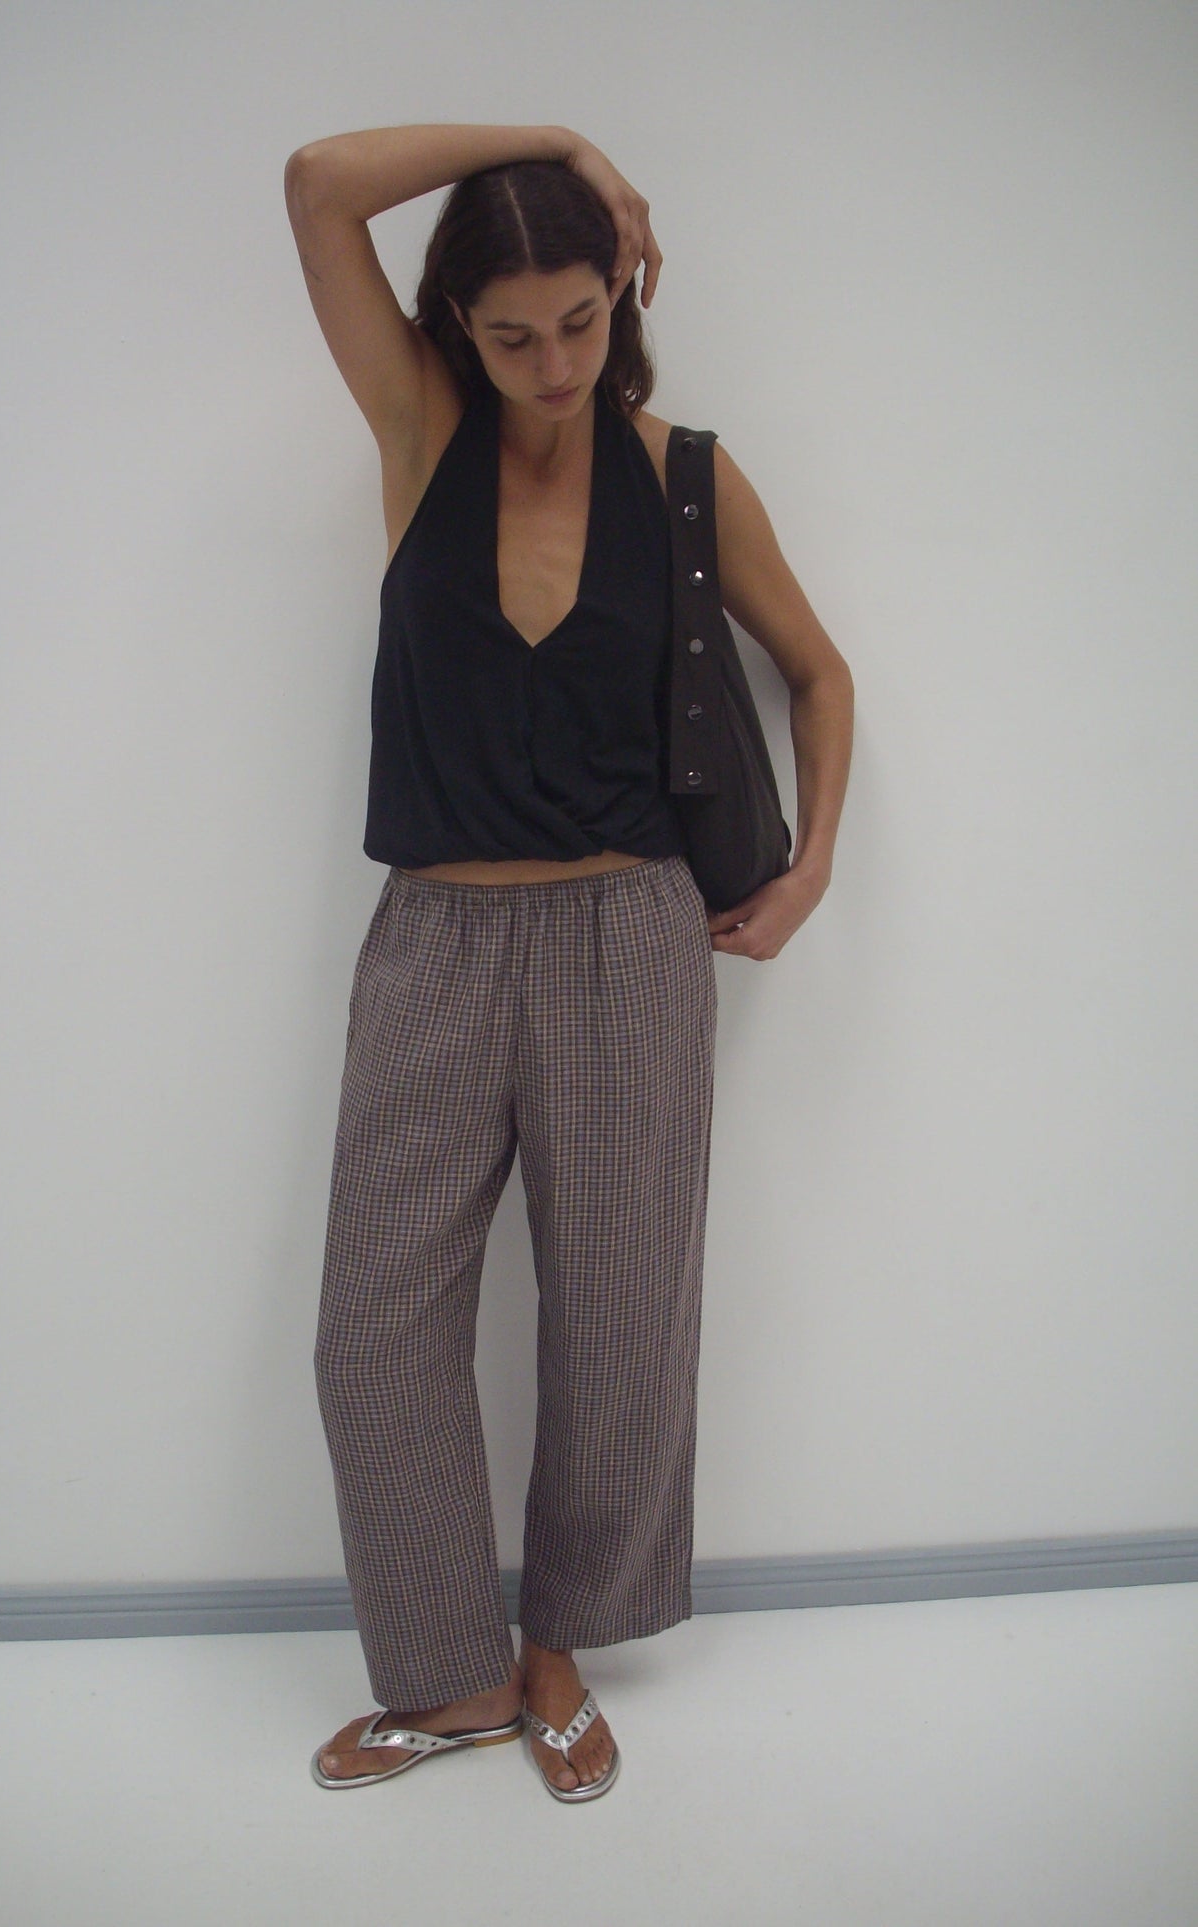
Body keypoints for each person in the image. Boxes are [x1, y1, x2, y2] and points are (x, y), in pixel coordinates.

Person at [283, 123, 853, 1801]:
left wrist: (810, 871)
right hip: (437, 940)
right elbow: (320, 183)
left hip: (629, 937)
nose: (549, 363)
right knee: (370, 1329)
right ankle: (448, 1676)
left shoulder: (685, 479)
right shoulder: (419, 435)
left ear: (626, 296)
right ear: (459, 323)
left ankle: (557, 1652)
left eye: (581, 320)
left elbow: (818, 673)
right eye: (513, 330)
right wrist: (558, 143)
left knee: (616, 1326)